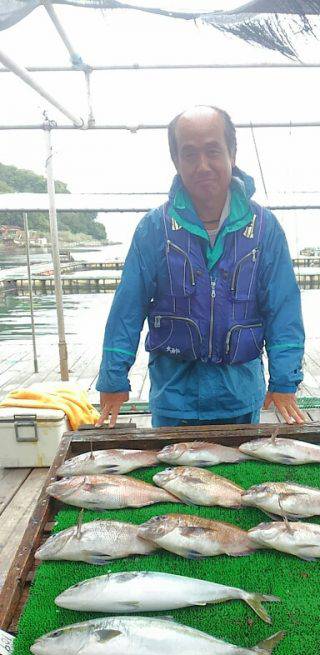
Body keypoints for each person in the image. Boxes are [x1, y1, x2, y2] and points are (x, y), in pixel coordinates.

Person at [96, 105, 306, 428]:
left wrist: (284, 379)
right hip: (173, 402)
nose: (203, 165)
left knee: (239, 479)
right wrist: (113, 379)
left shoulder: (265, 229)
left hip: (240, 398)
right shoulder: (153, 229)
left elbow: (283, 309)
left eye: (213, 151)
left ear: (232, 154)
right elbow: (128, 307)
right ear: (176, 161)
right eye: (190, 154)